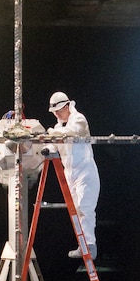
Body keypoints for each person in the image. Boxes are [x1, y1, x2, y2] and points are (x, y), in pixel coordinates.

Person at [47, 90, 98, 257]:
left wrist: (52, 134)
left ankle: (90, 245)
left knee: (85, 207)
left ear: (67, 106)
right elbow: (55, 145)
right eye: (54, 112)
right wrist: (47, 147)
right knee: (75, 211)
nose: (56, 114)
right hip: (70, 175)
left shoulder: (79, 119)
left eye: (59, 110)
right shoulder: (57, 127)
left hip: (85, 172)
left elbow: (72, 132)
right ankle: (82, 245)